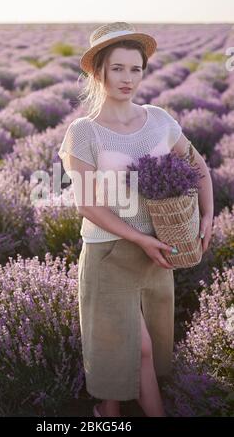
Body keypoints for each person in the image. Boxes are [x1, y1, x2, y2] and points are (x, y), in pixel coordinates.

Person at [58, 22, 214, 417]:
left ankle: (108, 414)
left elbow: (199, 167)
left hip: (158, 251)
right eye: (117, 69)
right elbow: (89, 206)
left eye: (136, 69)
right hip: (108, 254)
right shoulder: (84, 132)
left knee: (136, 349)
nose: (128, 79)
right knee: (133, 347)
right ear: (98, 72)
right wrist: (140, 239)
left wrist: (207, 215)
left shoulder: (159, 120)